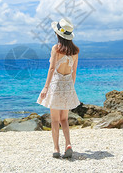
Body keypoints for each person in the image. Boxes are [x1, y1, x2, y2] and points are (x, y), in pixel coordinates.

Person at [36, 18, 80, 159]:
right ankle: (68, 144)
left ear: (58, 34)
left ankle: (56, 148)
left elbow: (52, 68)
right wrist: (70, 88)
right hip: (68, 86)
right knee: (64, 119)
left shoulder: (56, 48)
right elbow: (74, 71)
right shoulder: (75, 51)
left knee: (55, 120)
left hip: (56, 85)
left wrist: (45, 87)